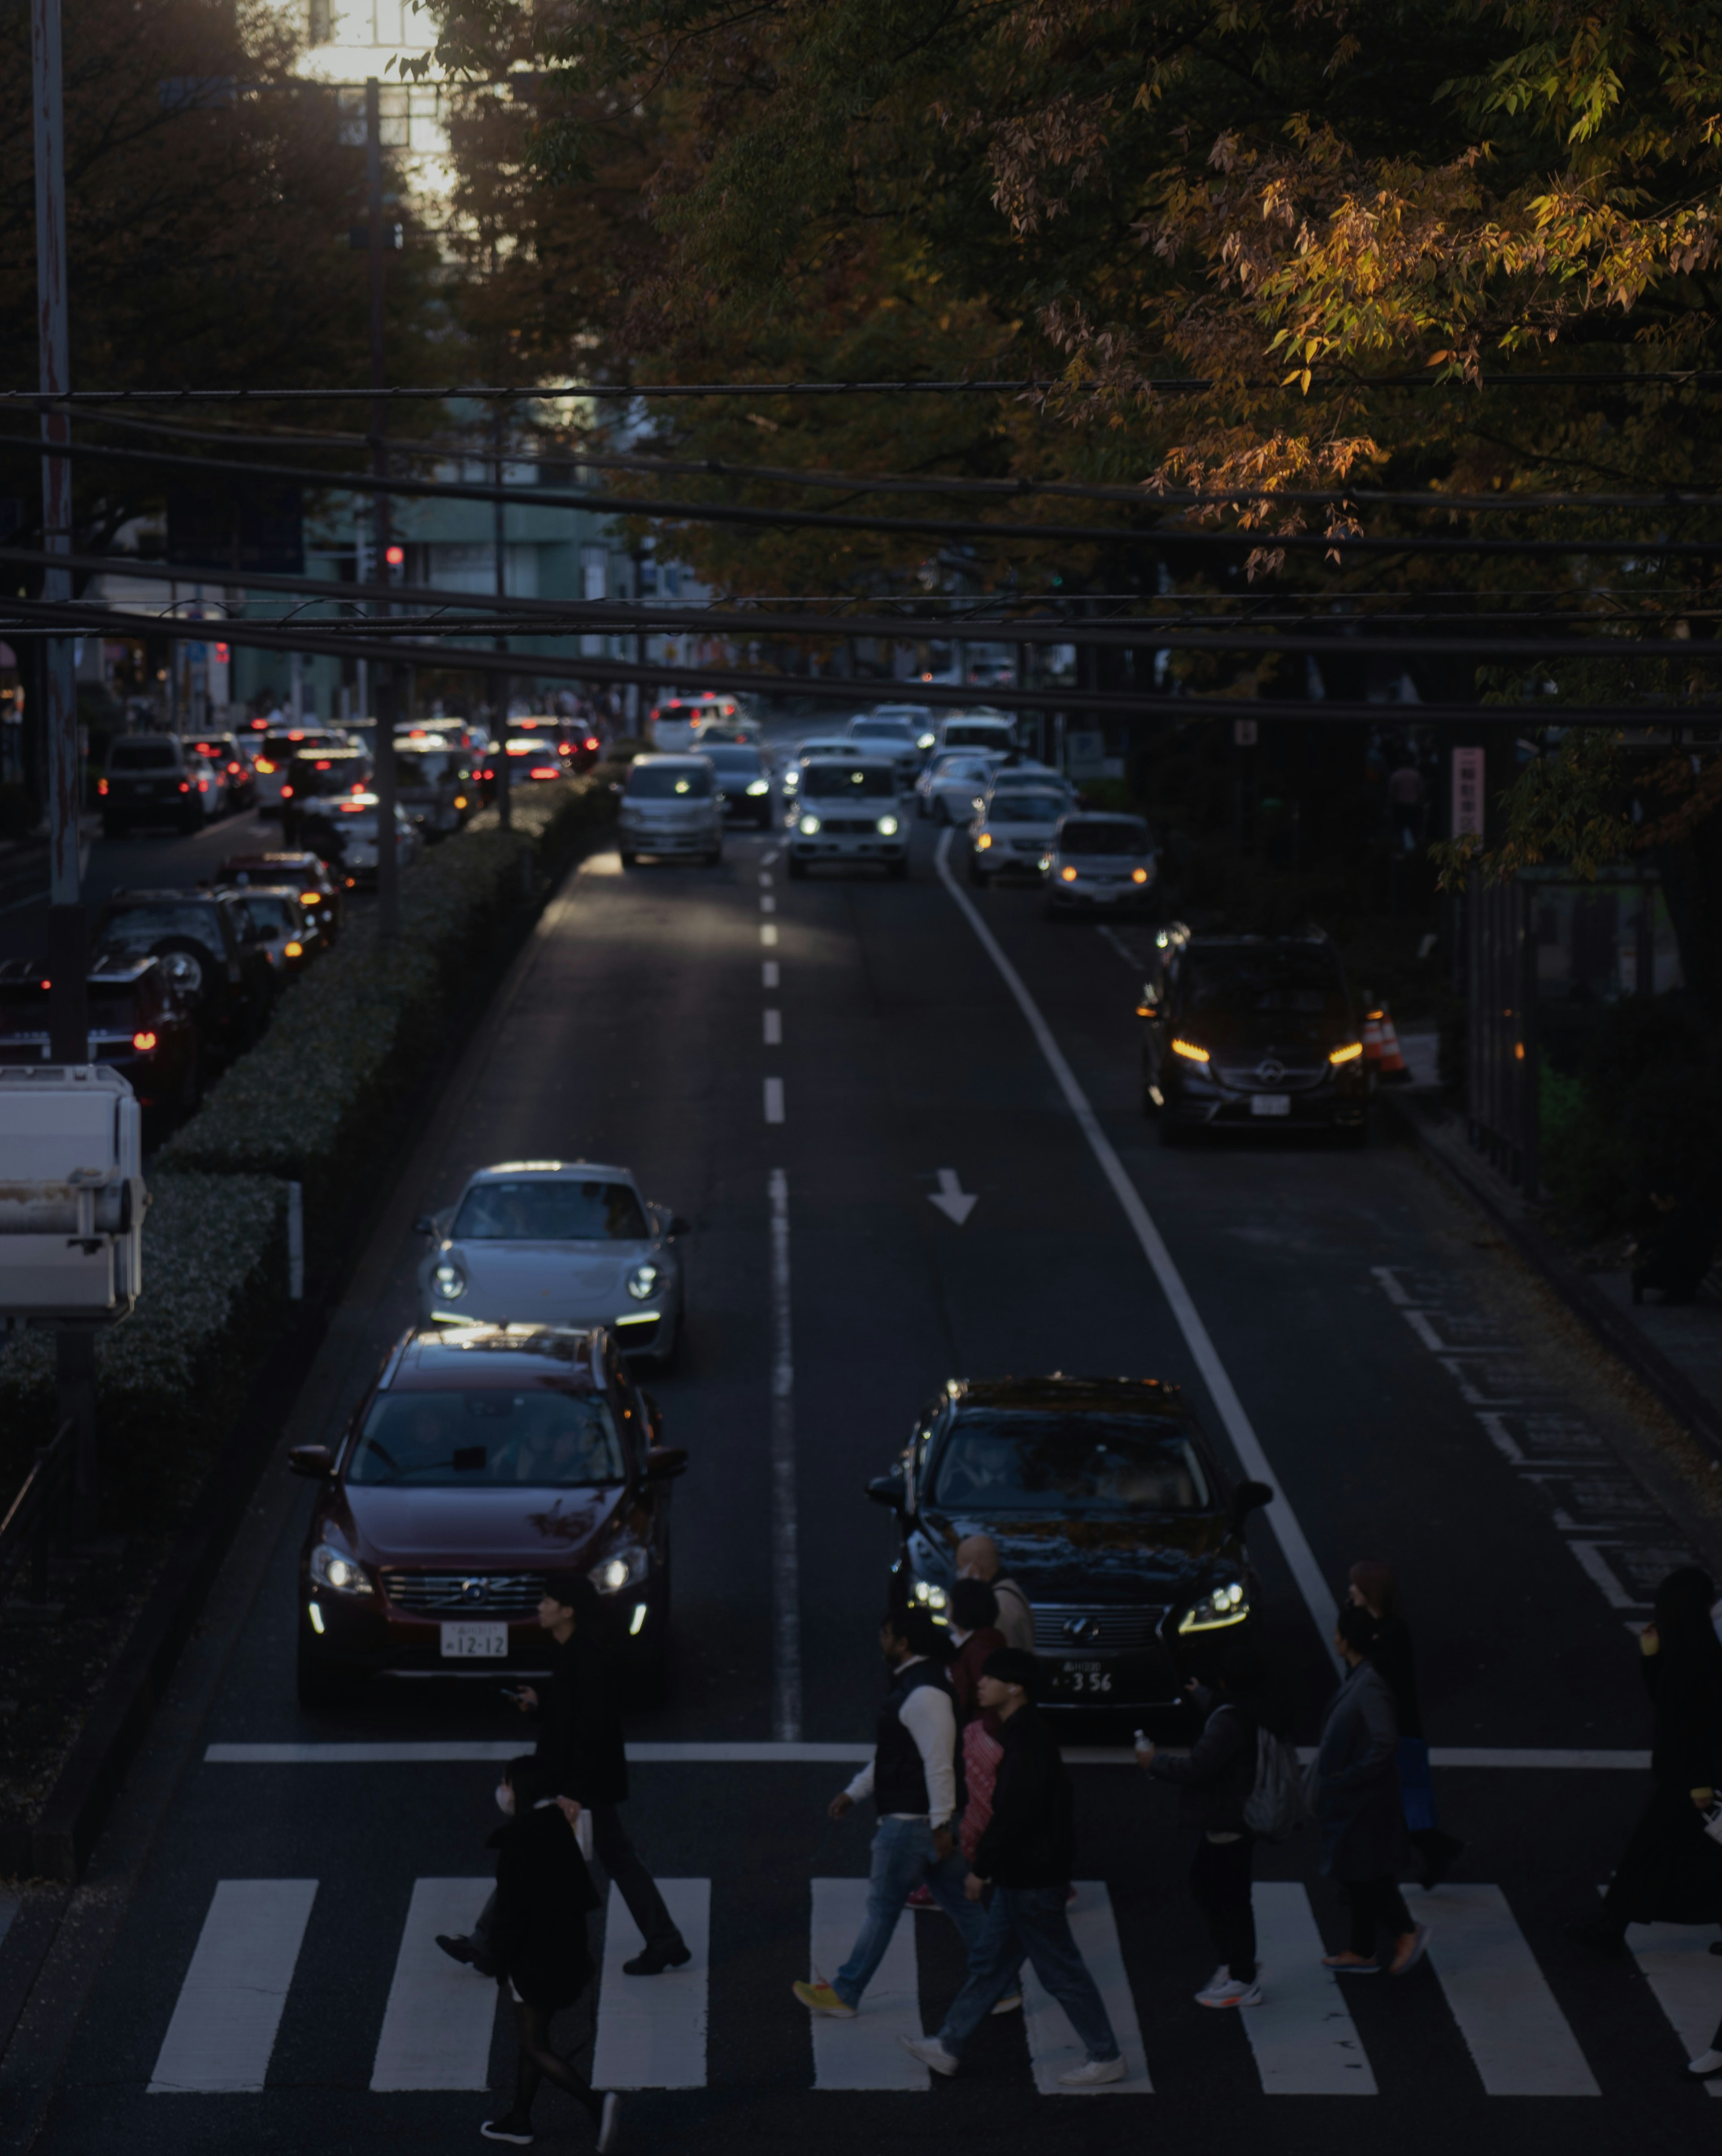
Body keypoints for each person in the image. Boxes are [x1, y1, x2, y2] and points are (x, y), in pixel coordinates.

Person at [439, 1572, 689, 1978]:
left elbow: (592, 1727)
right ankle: (664, 1940)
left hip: (581, 1783)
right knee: (594, 1857)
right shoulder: (577, 1650)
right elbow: (574, 1715)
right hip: (583, 1780)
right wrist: (540, 1704)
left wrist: (574, 1791)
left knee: (539, 1855)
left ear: (567, 1610)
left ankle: (486, 1943)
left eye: (547, 1600)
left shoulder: (585, 1655)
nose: (540, 1606)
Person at [900, 1649, 1124, 2085]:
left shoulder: (1027, 1741)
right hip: (1023, 1875)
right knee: (992, 1964)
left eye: (990, 1678)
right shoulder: (1024, 1734)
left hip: (1032, 1879)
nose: (980, 1685)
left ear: (1015, 1687)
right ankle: (949, 2045)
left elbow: (1015, 1812)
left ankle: (1106, 2055)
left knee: (1060, 1971)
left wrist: (981, 1869)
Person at [792, 1608, 989, 2018]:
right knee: (962, 1903)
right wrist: (856, 1792)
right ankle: (1000, 1984)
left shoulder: (925, 1693)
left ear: (903, 1643)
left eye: (885, 1634)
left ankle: (846, 1991)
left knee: (882, 1909)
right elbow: (897, 1753)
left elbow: (937, 1762)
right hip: (923, 1819)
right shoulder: (924, 1683)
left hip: (909, 1823)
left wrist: (940, 1822)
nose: (880, 1640)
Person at [1573, 1566, 1722, 1991]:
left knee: (1650, 1853)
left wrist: (1698, 1783)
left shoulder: (1691, 1656)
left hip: (1687, 1780)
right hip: (1689, 1778)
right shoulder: (1700, 1650)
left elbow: (1690, 1723)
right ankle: (1610, 1928)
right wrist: (1653, 1655)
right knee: (1690, 1857)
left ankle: (1611, 1928)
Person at [478, 1753, 620, 2152]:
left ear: (519, 1789)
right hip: (565, 1954)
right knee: (534, 2037)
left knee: (534, 2044)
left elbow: (510, 1912)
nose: (502, 1791)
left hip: (533, 1959)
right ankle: (520, 2120)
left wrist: (495, 1958)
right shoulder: (558, 1827)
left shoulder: (520, 1838)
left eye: (506, 1783)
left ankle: (597, 2103)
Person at [1137, 1651, 1265, 2008]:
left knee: (1228, 1897)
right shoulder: (1251, 1708)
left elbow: (1197, 1766)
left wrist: (1154, 1762)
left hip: (1227, 1819)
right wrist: (1204, 1695)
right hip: (1236, 1817)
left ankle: (1242, 1976)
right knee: (1211, 1886)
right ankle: (1235, 1964)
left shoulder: (1229, 1721)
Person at [1313, 1604, 1427, 1976]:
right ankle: (1361, 1949)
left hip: (1364, 1800)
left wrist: (1352, 1776)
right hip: (1356, 1798)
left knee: (1368, 1874)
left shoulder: (1370, 1684)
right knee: (1358, 1872)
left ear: (1345, 1641)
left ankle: (1405, 1930)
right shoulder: (1362, 1676)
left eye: (1337, 1633)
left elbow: (1384, 1741)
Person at [1348, 1560, 1464, 1889]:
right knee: (1390, 1806)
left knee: (1381, 1806)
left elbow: (1372, 1674)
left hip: (1393, 1733)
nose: (1350, 1590)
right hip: (1394, 1731)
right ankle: (1434, 1849)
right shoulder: (1384, 1628)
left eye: (1355, 1585)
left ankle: (1374, 1877)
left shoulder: (1389, 1634)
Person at [1631, 1192, 1715, 1307]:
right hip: (1691, 1261)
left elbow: (1667, 1236)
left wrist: (1642, 1245)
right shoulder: (1681, 1212)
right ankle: (1679, 1289)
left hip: (1691, 1262)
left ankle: (1679, 1289)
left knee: (1662, 1266)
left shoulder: (1685, 1216)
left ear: (1669, 1199)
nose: (1658, 1208)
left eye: (1659, 1204)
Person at [955, 1535, 1034, 1653]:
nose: (959, 1574)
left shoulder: (997, 1606)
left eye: (961, 1568)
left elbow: (1001, 1658)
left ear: (976, 1569)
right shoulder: (1010, 1589)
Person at [946, 1578, 1006, 1725]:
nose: (947, 1607)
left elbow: (991, 1703)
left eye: (950, 1603)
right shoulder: (979, 1644)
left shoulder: (979, 1650)